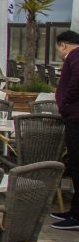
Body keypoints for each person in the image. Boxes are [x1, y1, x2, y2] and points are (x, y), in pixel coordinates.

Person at [51, 30, 79, 230]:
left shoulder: (75, 57)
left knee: (77, 166)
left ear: (63, 45)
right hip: (73, 117)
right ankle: (73, 211)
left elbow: (76, 82)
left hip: (76, 119)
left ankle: (76, 217)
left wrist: (65, 103)